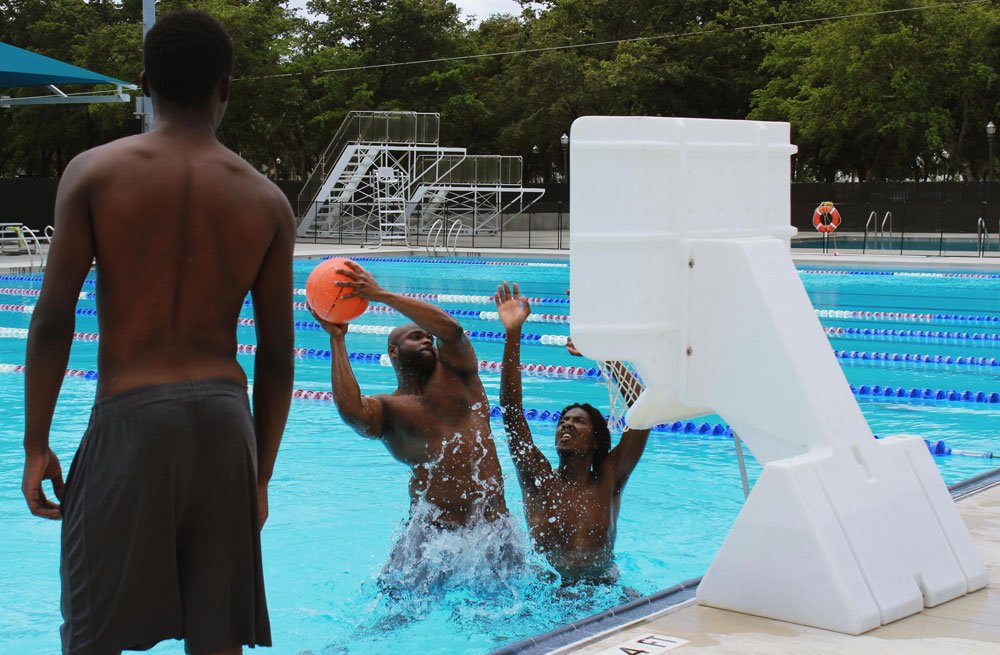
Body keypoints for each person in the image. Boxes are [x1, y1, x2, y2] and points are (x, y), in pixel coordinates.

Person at [21, 10, 295, 655]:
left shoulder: (94, 173)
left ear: (145, 83)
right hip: (226, 427)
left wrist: (36, 443)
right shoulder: (265, 199)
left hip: (132, 416)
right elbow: (279, 357)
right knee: (215, 639)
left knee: (93, 635)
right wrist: (260, 478)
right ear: (225, 88)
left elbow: (55, 316)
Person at [311, 261, 516, 581]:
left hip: (492, 528)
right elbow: (352, 412)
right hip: (434, 534)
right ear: (393, 351)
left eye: (428, 338)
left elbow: (451, 330)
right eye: (416, 337)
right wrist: (337, 340)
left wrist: (381, 295)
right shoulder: (390, 409)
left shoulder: (460, 376)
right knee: (392, 608)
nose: (427, 341)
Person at [494, 281, 650, 585]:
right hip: (546, 593)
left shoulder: (609, 477)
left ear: (596, 439)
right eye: (563, 420)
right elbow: (511, 411)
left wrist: (604, 354)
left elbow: (645, 409)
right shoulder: (537, 477)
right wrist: (513, 333)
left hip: (602, 587)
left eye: (579, 422)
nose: (566, 424)